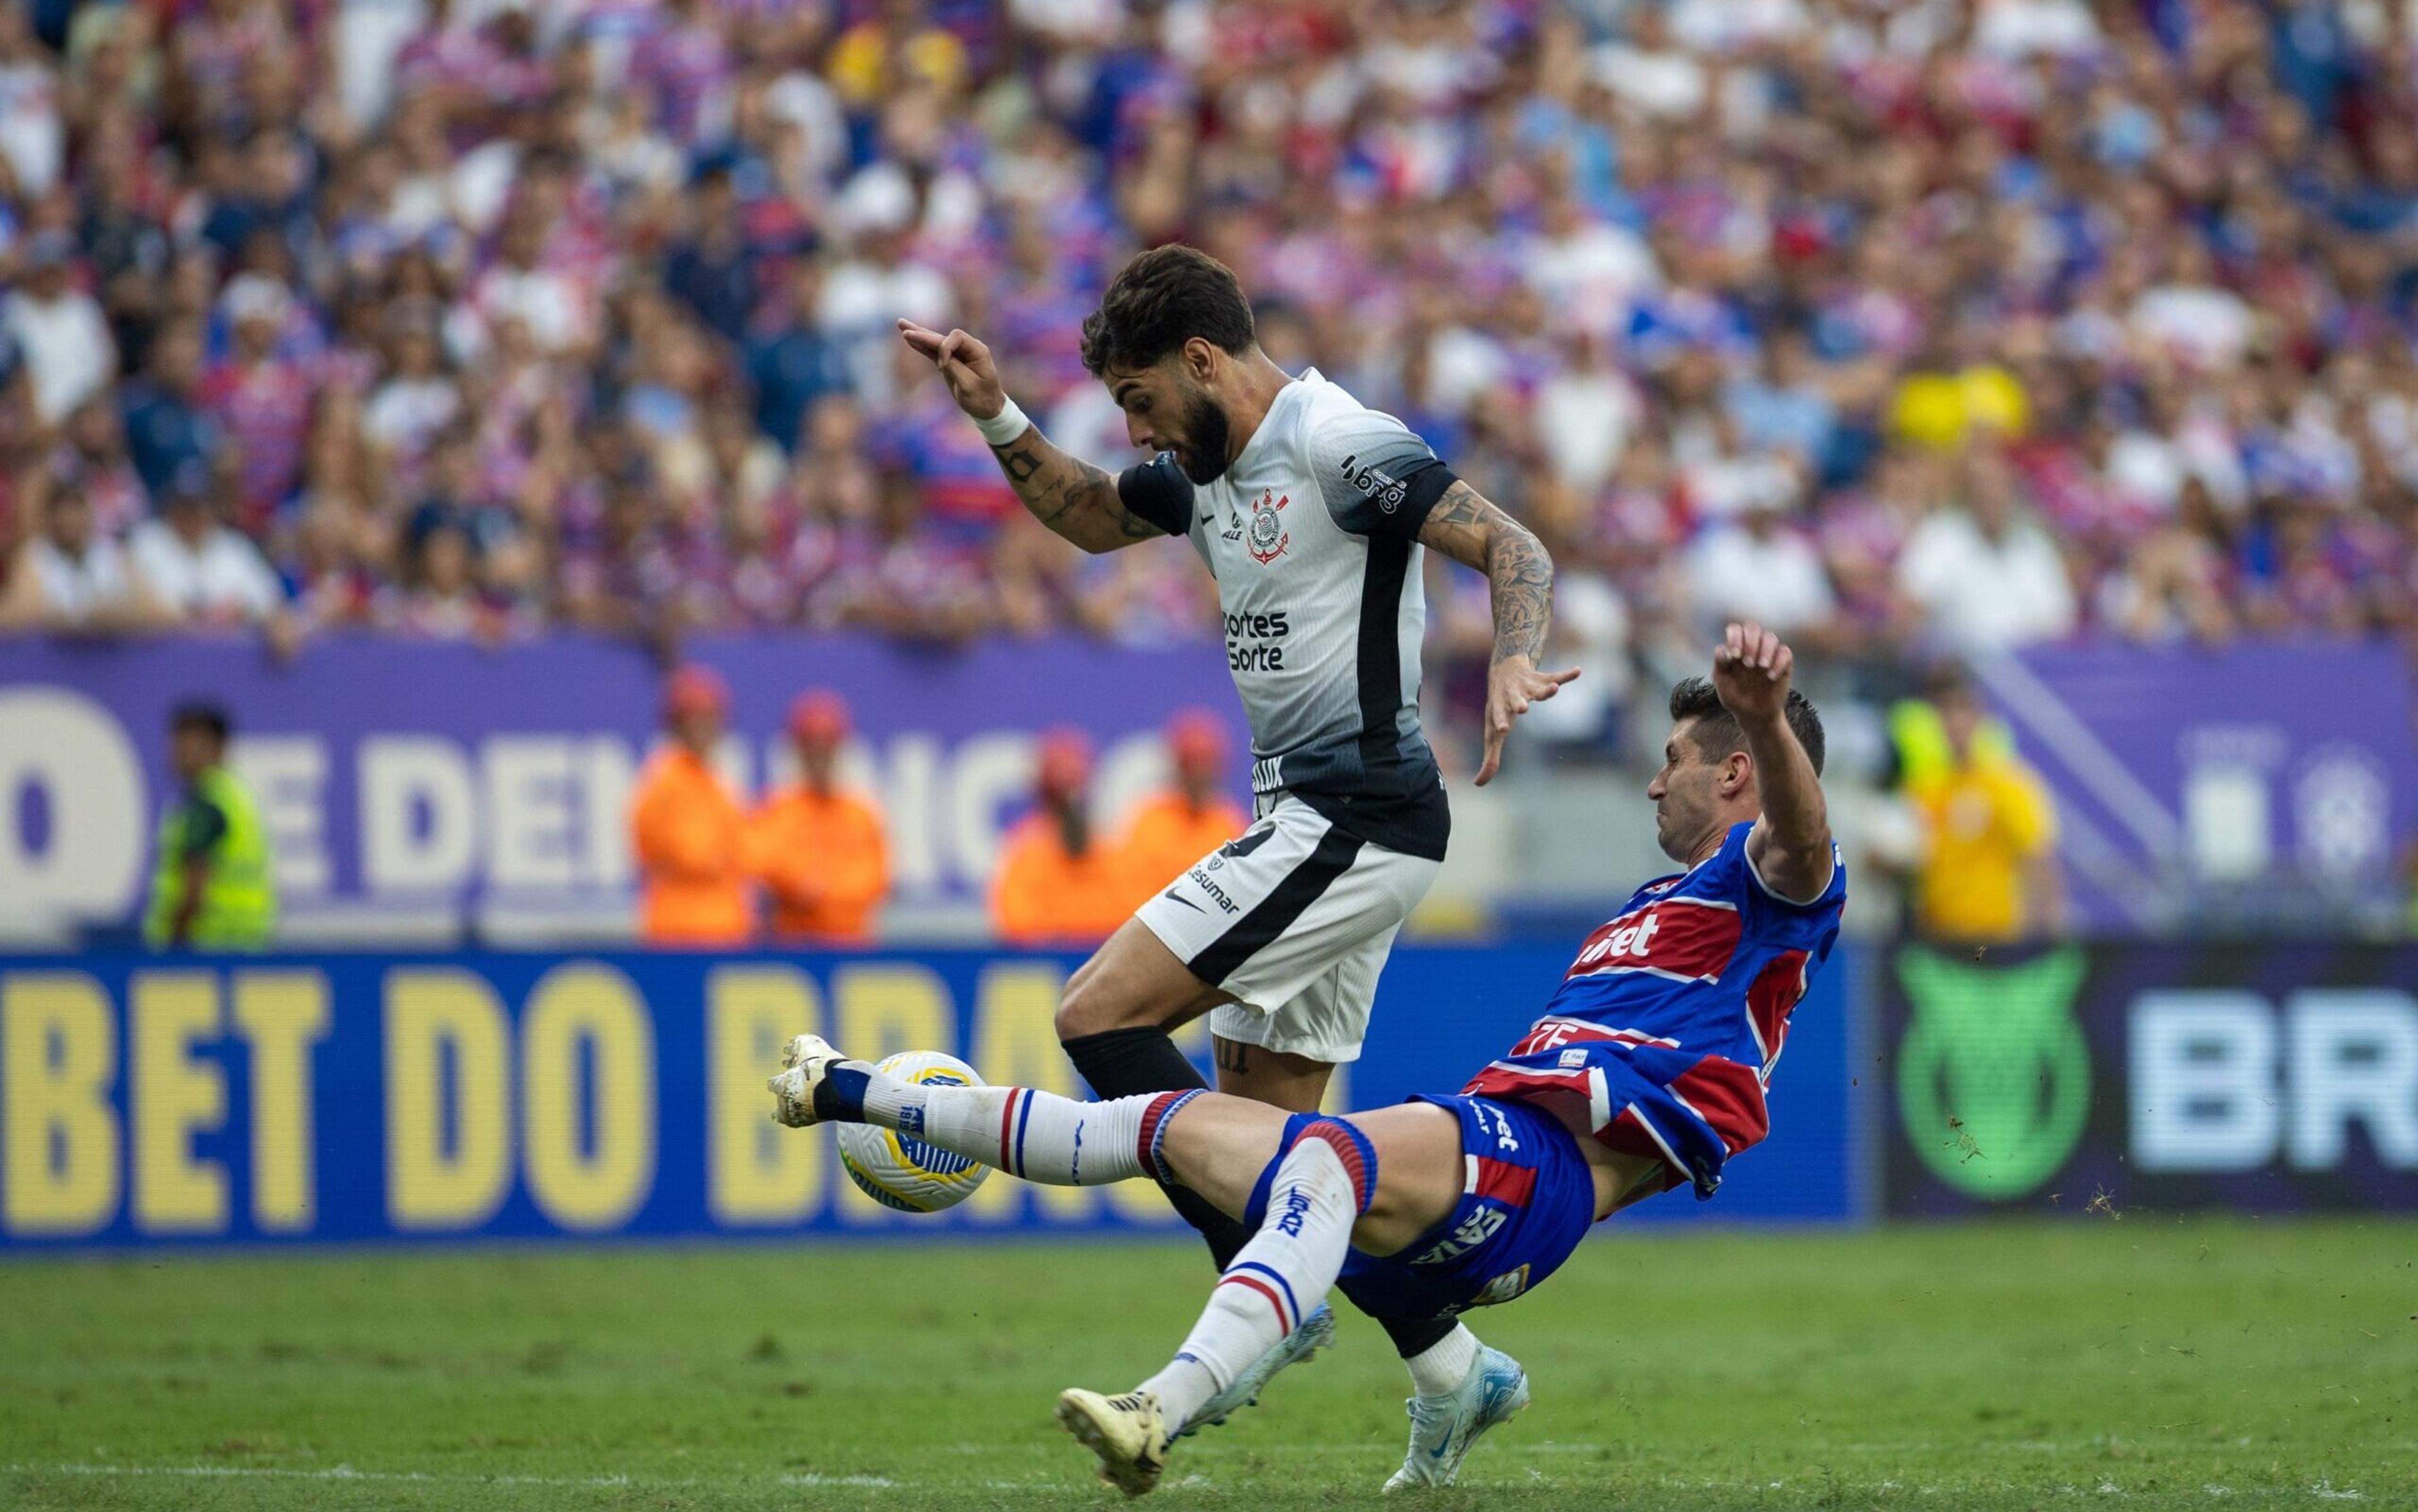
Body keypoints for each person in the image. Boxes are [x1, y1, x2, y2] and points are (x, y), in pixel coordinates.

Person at [771, 624, 1844, 1494]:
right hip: (1500, 1154)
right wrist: (848, 1097)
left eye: (1675, 764)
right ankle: (844, 1088)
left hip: (1545, 1169)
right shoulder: (1660, 901)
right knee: (1161, 1131)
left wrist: (1762, 714)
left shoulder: (1763, 893)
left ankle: (1161, 1407)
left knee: (1324, 1162)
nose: (1656, 786)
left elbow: (1802, 843)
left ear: (1738, 770)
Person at [898, 244, 1575, 1447]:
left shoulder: (1338, 443)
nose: (1140, 430)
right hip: (1316, 824)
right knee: (1287, 1159)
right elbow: (1094, 518)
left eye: (1142, 398)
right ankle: (1453, 1365)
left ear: (1203, 361)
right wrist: (995, 412)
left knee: (1101, 1017)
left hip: (1355, 815)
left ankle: (1271, 1289)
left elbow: (1512, 547)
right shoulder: (1202, 468)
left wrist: (1515, 651)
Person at [1899, 671, 2062, 941]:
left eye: (1962, 711)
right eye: (1946, 713)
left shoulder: (2008, 784)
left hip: (1992, 934)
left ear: (1979, 719)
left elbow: (2038, 856)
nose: (1954, 723)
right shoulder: (1924, 789)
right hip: (1936, 932)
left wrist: (2049, 927)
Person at [750, 690, 889, 946]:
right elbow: (768, 863)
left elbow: (875, 877)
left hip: (850, 942)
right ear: (799, 751)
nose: (820, 756)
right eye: (812, 747)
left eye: (827, 747)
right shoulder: (779, 807)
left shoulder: (861, 812)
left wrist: (824, 891)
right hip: (793, 943)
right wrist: (803, 885)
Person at [630, 664, 752, 946]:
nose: (702, 727)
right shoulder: (666, 782)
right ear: (676, 724)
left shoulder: (713, 780)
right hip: (681, 928)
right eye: (692, 718)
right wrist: (736, 853)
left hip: (724, 925)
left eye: (708, 718)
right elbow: (693, 855)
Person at [143, 702, 276, 950]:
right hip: (247, 946)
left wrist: (173, 942)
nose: (177, 753)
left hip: (204, 949)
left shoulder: (205, 805)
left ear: (217, 749)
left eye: (189, 745)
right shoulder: (237, 797)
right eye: (176, 743)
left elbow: (194, 892)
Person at [990, 730, 1135, 948]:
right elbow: (1016, 927)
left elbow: (1128, 919)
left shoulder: (1110, 851)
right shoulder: (1025, 851)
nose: (1071, 804)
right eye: (1063, 795)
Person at [1118, 709, 1250, 911]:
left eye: (1206, 764)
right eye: (1192, 764)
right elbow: (1130, 888)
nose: (1199, 775)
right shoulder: (1151, 819)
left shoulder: (1229, 823)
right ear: (1179, 767)